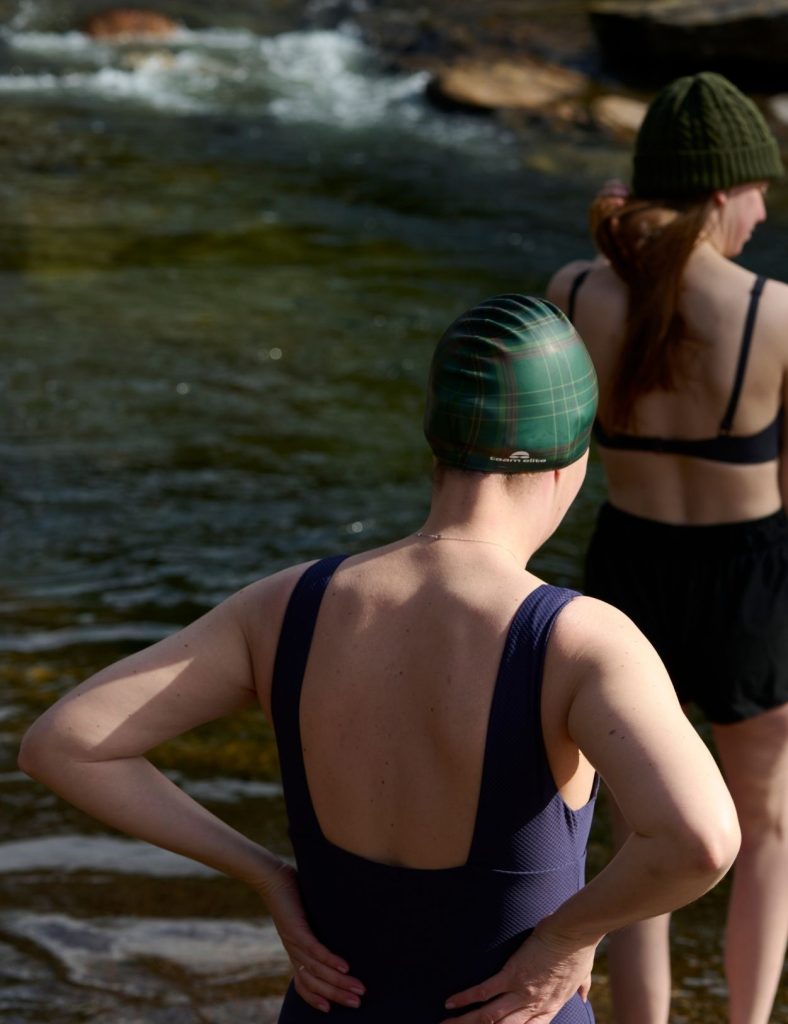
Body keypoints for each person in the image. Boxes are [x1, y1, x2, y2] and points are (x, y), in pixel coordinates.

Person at [18, 295, 739, 1023]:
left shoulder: (283, 607)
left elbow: (64, 744)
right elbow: (700, 841)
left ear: (434, 446)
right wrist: (570, 933)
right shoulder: (580, 641)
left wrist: (267, 876)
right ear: (574, 462)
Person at [547, 72, 788, 1024]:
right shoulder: (774, 310)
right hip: (751, 587)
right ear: (721, 192)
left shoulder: (572, 290)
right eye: (760, 189)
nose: (766, 210)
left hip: (627, 573)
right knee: (765, 828)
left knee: (643, 831)